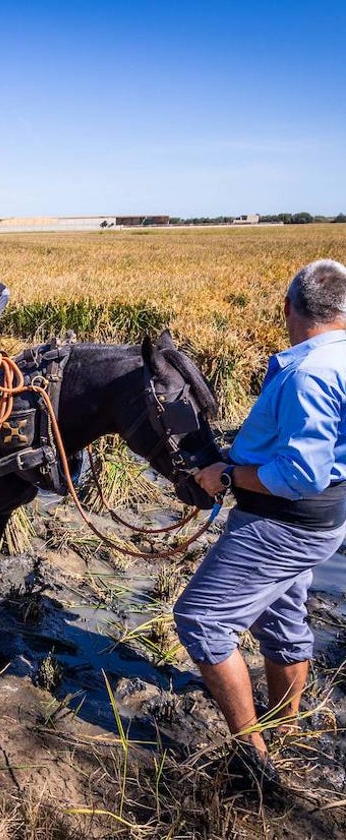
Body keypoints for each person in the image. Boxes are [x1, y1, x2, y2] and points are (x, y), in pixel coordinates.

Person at [176, 259, 346, 792]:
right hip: (324, 523)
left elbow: (299, 474)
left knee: (201, 620)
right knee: (284, 618)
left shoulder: (308, 373)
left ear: (289, 308)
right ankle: (286, 728)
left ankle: (253, 759)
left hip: (282, 522)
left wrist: (228, 473)